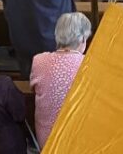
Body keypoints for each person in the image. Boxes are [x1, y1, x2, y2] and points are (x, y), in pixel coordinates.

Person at [31, 12, 92, 147]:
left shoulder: (39, 61)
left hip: (46, 141)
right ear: (82, 39)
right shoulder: (89, 64)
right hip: (76, 142)